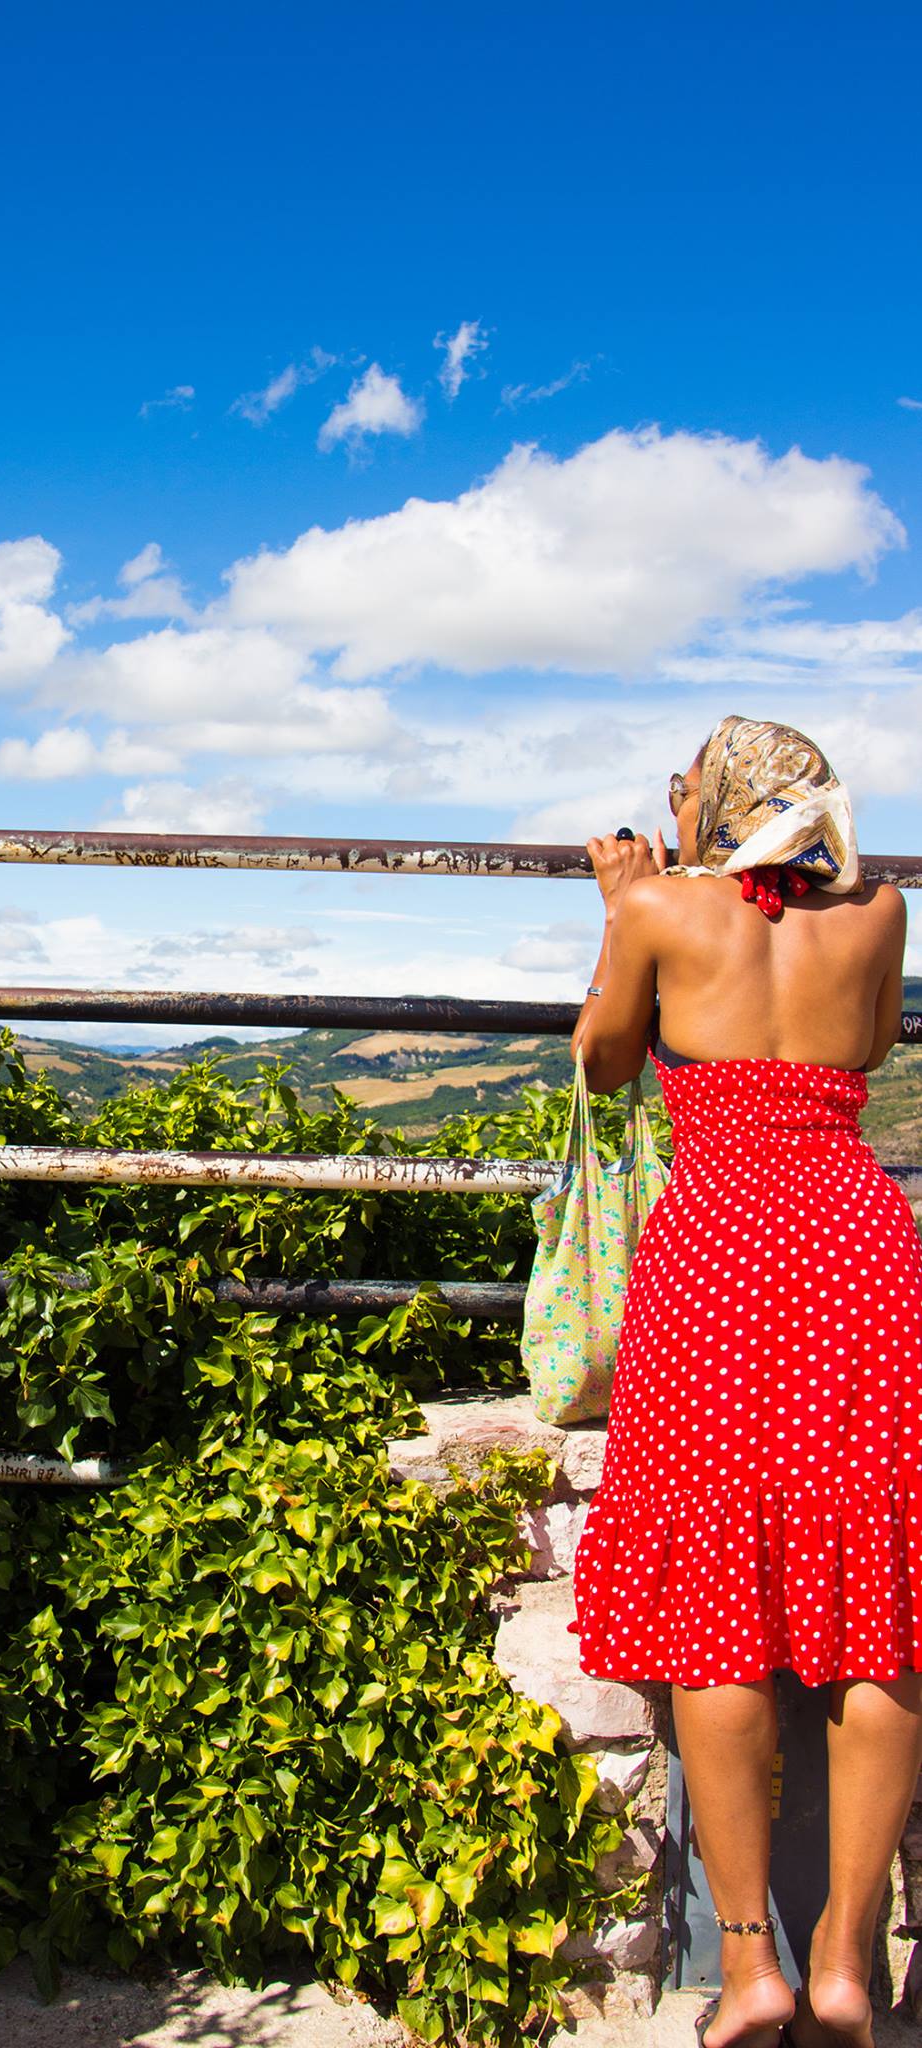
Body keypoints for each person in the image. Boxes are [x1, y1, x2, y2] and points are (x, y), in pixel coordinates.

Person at [565, 713, 922, 2048]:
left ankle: (745, 1972)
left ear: (701, 805)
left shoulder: (659, 904)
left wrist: (621, 905)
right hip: (852, 1236)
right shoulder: (881, 910)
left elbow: (604, 1064)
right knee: (878, 1605)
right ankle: (842, 1961)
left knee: (716, 1603)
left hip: (716, 1247)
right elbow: (871, 1049)